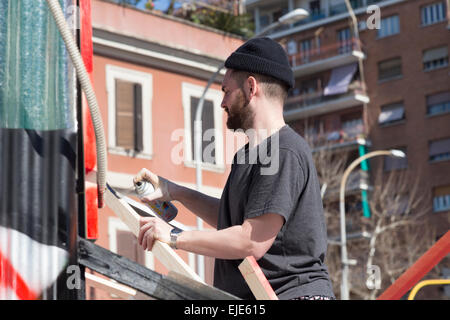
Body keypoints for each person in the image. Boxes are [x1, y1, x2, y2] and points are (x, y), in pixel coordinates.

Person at [134, 37, 335, 300]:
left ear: (251, 88)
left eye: (226, 91)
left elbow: (251, 241)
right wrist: (175, 191)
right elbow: (234, 221)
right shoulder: (250, 154)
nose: (223, 103)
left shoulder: (283, 151)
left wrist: (173, 236)